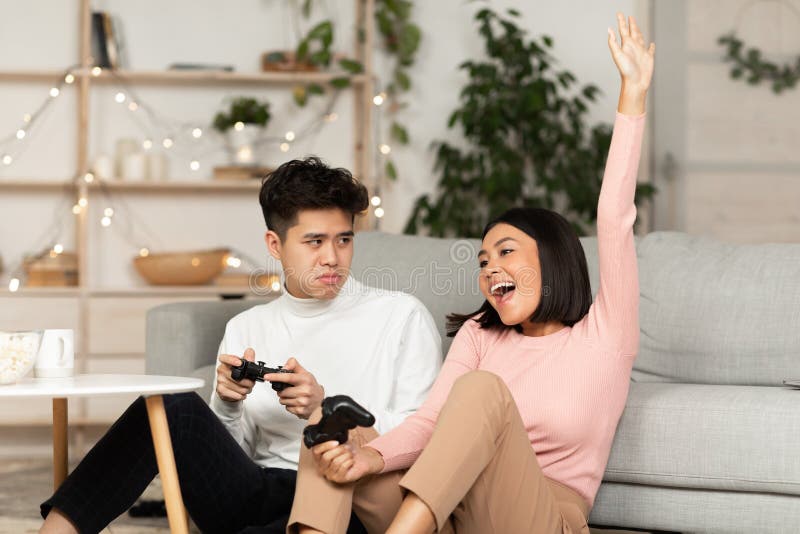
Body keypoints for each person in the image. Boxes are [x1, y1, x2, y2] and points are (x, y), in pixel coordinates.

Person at [287, 13, 654, 534]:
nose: (490, 269)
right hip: (451, 508)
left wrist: (633, 96)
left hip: (545, 517)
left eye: (506, 253)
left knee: (482, 390)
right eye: (483, 261)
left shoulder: (607, 334)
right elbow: (431, 425)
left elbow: (615, 217)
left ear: (551, 257)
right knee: (328, 440)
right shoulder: (483, 335)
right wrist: (366, 459)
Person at [39, 157, 442, 534]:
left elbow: (423, 432)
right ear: (274, 244)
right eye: (314, 242)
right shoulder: (247, 326)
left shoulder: (401, 316)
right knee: (168, 406)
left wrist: (324, 409)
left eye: (343, 240)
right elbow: (233, 455)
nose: (332, 258)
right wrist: (229, 405)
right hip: (261, 490)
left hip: (348, 498)